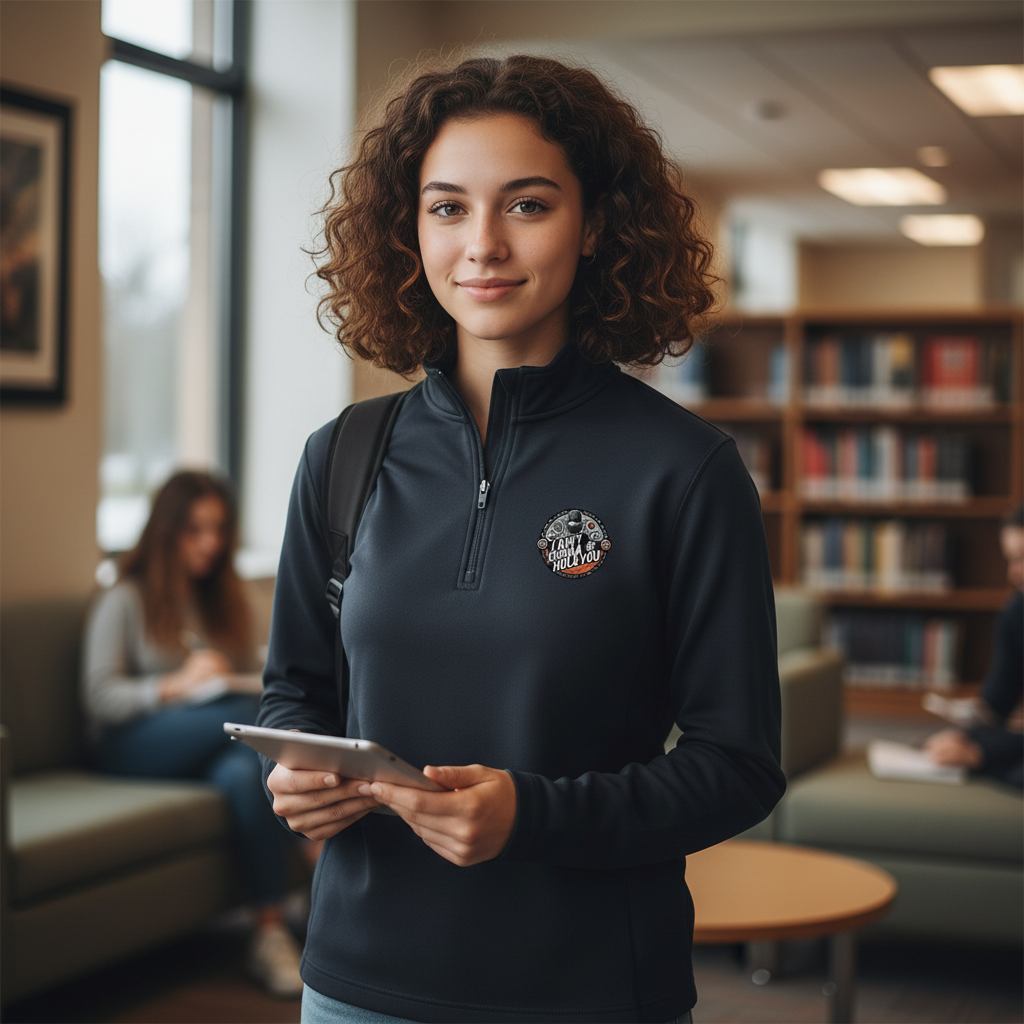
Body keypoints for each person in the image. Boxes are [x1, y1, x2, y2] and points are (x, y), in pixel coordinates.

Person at [259, 55, 786, 1024]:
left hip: (586, 988)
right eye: (448, 207)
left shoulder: (685, 468)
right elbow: (296, 687)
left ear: (595, 227)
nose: (483, 245)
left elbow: (737, 764)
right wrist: (294, 774)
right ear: (408, 231)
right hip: (355, 981)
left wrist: (531, 815)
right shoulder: (341, 456)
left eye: (528, 205)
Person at [82, 471, 305, 998]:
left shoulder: (218, 599)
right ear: (167, 531)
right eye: (195, 530)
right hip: (127, 745)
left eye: (219, 529)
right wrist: (173, 686)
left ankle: (269, 931)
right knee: (253, 714)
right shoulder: (125, 597)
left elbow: (254, 673)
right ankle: (317, 850)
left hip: (204, 743)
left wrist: (235, 676)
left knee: (240, 769)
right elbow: (99, 698)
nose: (210, 543)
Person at [925, 504, 1023, 788]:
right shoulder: (1016, 613)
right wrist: (964, 738)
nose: (1013, 573)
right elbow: (996, 703)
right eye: (1010, 560)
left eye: (1022, 558)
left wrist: (981, 752)